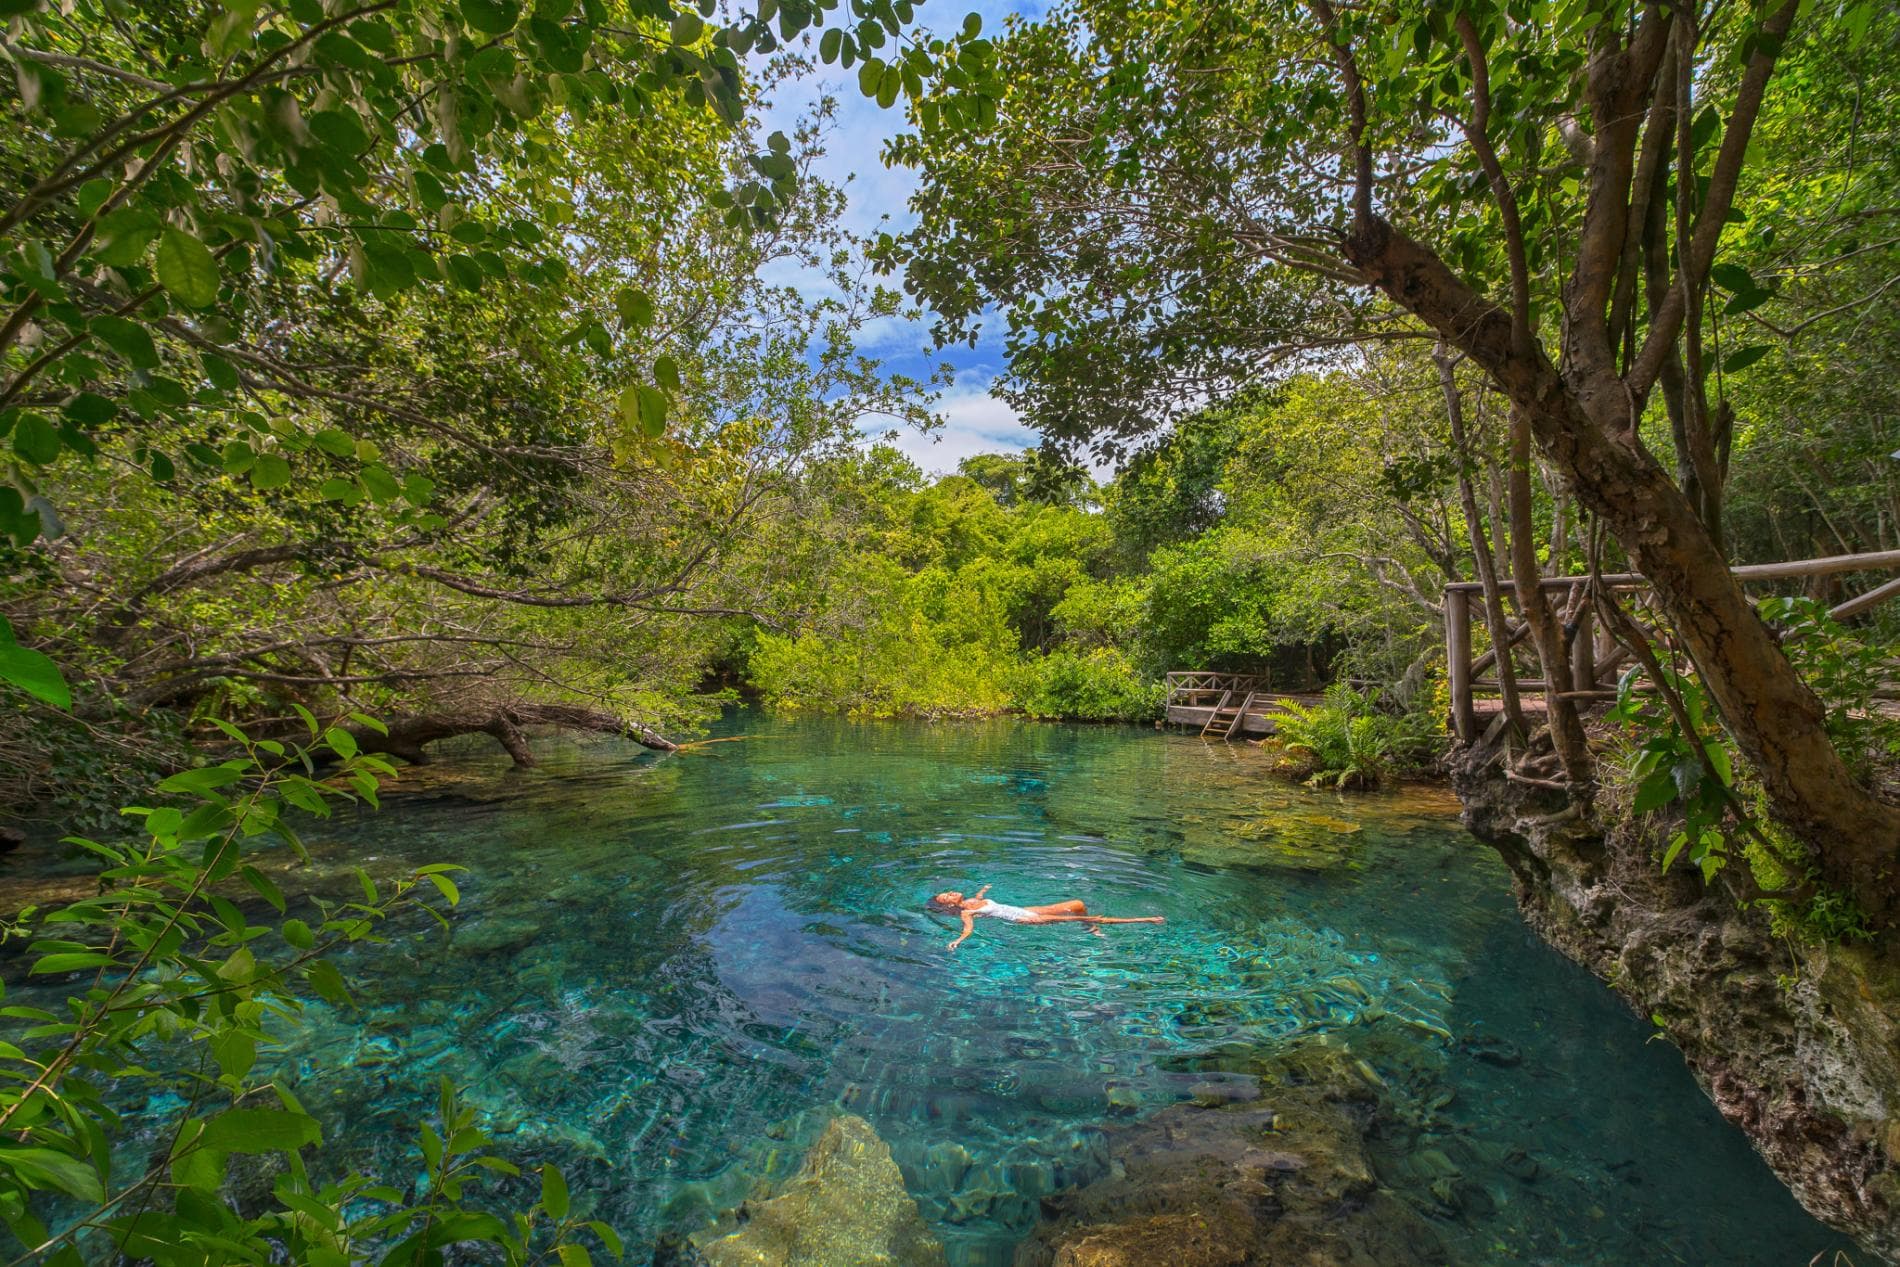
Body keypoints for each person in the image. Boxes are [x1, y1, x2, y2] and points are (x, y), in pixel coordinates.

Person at [928, 884, 1164, 951]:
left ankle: (1087, 926)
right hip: (1025, 919)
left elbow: (982, 899)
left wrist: (983, 891)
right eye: (946, 895)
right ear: (949, 903)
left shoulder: (970, 900)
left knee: (1078, 904)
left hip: (1026, 908)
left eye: (948, 891)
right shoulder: (967, 912)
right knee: (1087, 918)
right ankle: (1145, 919)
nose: (951, 892)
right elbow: (967, 929)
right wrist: (958, 941)